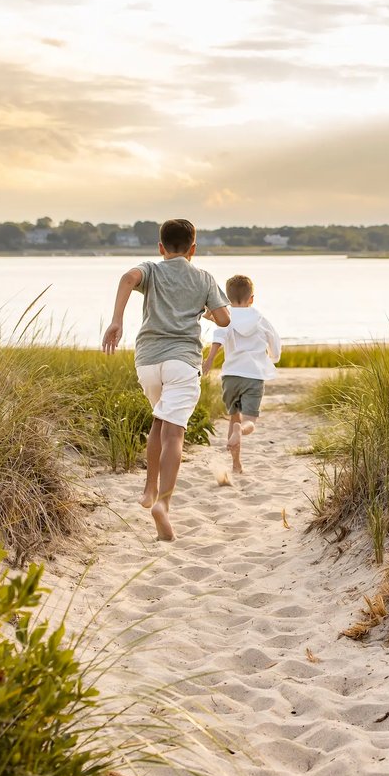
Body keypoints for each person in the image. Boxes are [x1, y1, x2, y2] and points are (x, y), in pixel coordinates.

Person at [102, 218, 229, 541]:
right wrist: (204, 310)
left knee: (159, 422)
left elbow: (128, 278)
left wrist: (117, 320)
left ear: (161, 248)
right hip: (182, 362)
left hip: (148, 362)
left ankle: (149, 487)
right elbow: (225, 319)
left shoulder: (152, 270)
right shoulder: (203, 277)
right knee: (174, 433)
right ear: (193, 249)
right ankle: (163, 504)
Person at [201, 274, 282, 476]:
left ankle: (236, 465)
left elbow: (218, 335)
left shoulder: (226, 317)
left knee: (233, 417)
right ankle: (241, 432)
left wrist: (209, 359)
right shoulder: (260, 319)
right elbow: (275, 343)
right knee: (248, 422)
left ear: (228, 299)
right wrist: (272, 357)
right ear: (251, 298)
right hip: (253, 376)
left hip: (230, 376)